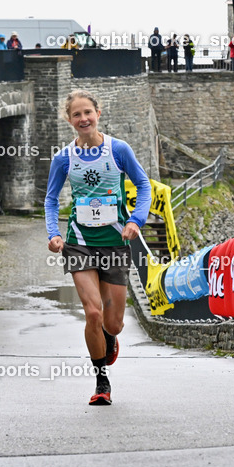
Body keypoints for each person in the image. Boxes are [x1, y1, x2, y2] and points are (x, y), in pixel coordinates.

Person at [44, 90, 151, 406]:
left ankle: (110, 337)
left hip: (115, 244)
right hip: (79, 244)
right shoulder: (63, 158)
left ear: (98, 113)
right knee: (92, 312)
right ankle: (101, 378)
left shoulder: (118, 150)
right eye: (77, 115)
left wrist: (136, 220)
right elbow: (51, 199)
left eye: (87, 112)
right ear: (69, 120)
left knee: (112, 322)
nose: (83, 119)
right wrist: (54, 233)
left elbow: (143, 185)